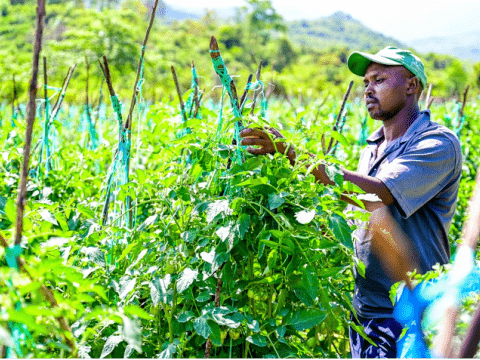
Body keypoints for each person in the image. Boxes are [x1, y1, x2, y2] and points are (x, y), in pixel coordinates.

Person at [239, 46, 462, 358]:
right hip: (366, 313)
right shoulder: (372, 145)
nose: (368, 89)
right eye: (366, 82)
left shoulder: (437, 143)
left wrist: (291, 152)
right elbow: (360, 209)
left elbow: (378, 192)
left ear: (411, 86)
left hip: (412, 313)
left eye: (379, 80)